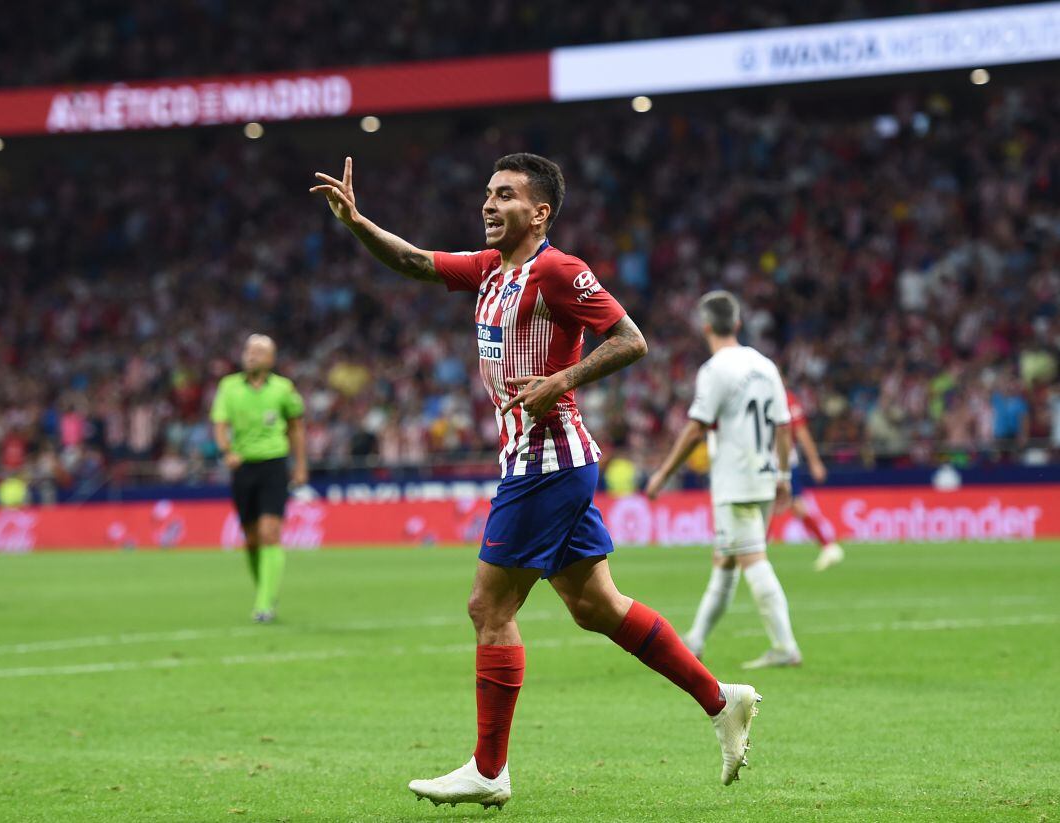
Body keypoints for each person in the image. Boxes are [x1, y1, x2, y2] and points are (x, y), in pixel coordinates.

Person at [312, 154, 761, 808]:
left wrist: (562, 379)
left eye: (506, 195)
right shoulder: (493, 269)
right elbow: (413, 261)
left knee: (488, 608)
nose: (489, 205)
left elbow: (631, 339)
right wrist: (357, 222)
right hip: (543, 459)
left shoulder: (557, 270)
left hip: (546, 462)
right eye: (487, 193)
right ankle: (722, 701)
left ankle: (489, 769)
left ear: (540, 211)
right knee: (595, 607)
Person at [646, 291, 802, 669]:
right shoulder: (765, 365)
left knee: (751, 559)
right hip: (764, 476)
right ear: (737, 323)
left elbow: (696, 429)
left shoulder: (716, 370)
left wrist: (663, 474)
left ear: (705, 327)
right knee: (726, 560)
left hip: (735, 481)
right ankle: (695, 640)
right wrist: (783, 476)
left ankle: (785, 646)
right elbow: (784, 427)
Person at [210, 334, 307, 623]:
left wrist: (300, 465)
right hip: (243, 467)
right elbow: (219, 423)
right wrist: (226, 450)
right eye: (248, 350)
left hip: (274, 463)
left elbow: (297, 427)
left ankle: (264, 604)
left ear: (271, 359)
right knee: (251, 539)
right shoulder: (228, 387)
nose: (251, 355)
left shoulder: (283, 389)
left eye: (259, 351)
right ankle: (266, 590)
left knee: (270, 531)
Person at [784, 388, 844, 571]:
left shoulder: (785, 398)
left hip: (782, 462)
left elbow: (801, 431)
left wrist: (815, 462)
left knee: (790, 505)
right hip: (769, 461)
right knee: (794, 506)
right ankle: (828, 546)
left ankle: (750, 557)